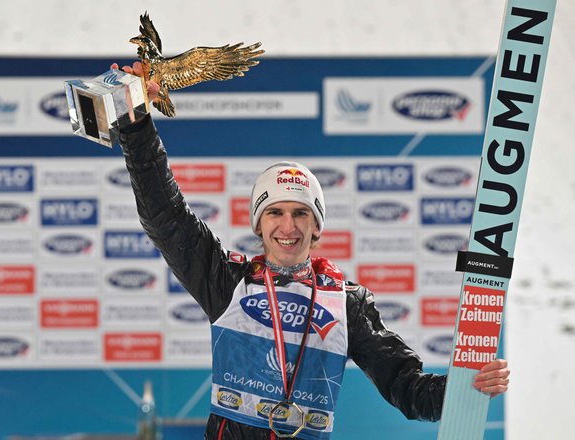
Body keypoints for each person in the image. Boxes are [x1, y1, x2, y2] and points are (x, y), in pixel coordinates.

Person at [112, 62, 510, 440]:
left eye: (301, 213)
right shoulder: (227, 280)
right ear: (259, 224)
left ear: (317, 224)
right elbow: (166, 217)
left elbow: (406, 387)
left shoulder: (345, 303)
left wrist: (464, 389)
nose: (288, 227)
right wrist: (136, 129)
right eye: (276, 213)